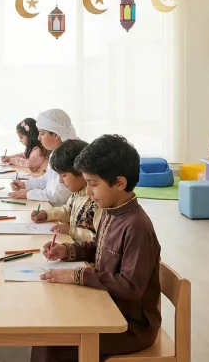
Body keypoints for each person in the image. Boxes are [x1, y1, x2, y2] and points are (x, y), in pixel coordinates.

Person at [36, 134, 161, 361]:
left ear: (120, 183)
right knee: (48, 325)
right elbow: (98, 246)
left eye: (93, 184)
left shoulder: (137, 226)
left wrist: (79, 275)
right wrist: (69, 251)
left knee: (54, 340)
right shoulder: (111, 211)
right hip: (106, 306)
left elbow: (131, 286)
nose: (89, 192)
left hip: (129, 326)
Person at [31, 139, 97, 242]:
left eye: (64, 175)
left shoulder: (97, 200)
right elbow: (67, 210)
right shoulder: (77, 193)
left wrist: (72, 231)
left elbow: (98, 239)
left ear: (80, 171)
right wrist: (47, 214)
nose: (61, 181)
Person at [9, 109, 76, 206]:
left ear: (56, 134)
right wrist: (25, 185)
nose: (38, 138)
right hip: (49, 207)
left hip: (57, 212)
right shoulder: (55, 153)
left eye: (42, 133)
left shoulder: (69, 157)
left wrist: (28, 194)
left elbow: (58, 197)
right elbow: (46, 180)